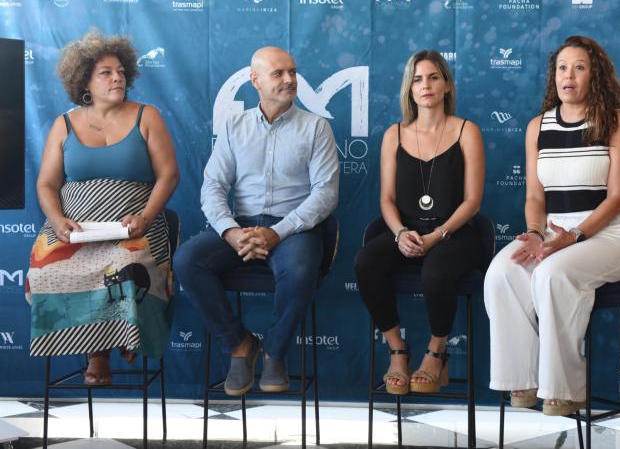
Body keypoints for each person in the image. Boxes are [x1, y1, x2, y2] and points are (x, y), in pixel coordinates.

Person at [484, 35, 620, 415]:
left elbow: (619, 197)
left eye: (579, 68)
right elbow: (535, 198)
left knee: (552, 274)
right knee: (503, 272)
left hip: (608, 233)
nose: (568, 76)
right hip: (555, 231)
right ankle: (522, 378)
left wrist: (575, 236)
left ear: (595, 76)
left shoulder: (617, 121)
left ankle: (565, 387)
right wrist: (536, 233)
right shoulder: (537, 127)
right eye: (562, 68)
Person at [173, 46, 339, 395]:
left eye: (292, 72)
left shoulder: (316, 127)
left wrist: (277, 232)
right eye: (278, 73)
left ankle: (274, 352)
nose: (289, 79)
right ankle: (240, 344)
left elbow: (325, 194)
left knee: (300, 269)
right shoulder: (235, 126)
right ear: (255, 80)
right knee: (187, 260)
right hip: (243, 226)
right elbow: (213, 186)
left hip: (293, 228)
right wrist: (231, 232)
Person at [26, 30, 179, 385]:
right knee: (46, 269)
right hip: (75, 230)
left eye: (121, 71)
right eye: (106, 73)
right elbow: (46, 184)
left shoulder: (147, 116)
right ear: (84, 82)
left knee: (125, 267)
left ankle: (104, 351)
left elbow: (169, 175)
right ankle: (104, 344)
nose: (117, 78)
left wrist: (145, 217)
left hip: (135, 228)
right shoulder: (63, 124)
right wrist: (57, 220)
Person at [355, 50, 485, 395]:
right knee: (366, 261)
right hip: (407, 229)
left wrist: (437, 235)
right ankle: (398, 350)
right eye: (417, 79)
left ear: (446, 85)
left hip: (455, 231)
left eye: (433, 77)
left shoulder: (467, 131)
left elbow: (473, 201)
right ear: (409, 89)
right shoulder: (394, 134)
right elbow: (386, 199)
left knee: (435, 271)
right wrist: (400, 233)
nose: (425, 85)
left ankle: (437, 352)